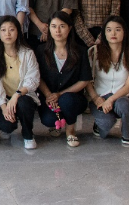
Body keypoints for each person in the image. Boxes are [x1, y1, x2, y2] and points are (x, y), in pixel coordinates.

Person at [0, 16, 40, 150]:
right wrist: (4, 106)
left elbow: (33, 79)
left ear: (18, 32)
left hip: (22, 96)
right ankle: (7, 126)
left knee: (24, 103)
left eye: (11, 30)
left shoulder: (28, 53)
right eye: (3, 30)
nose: (7, 34)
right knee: (7, 126)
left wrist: (16, 95)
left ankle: (28, 134)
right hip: (3, 98)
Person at [37, 12, 91, 148]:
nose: (58, 30)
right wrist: (49, 95)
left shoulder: (80, 51)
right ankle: (58, 121)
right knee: (48, 120)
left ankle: (70, 130)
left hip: (73, 98)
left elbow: (84, 80)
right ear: (49, 28)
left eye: (62, 26)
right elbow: (38, 77)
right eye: (54, 26)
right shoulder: (41, 51)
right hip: (49, 98)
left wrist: (60, 94)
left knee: (67, 100)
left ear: (70, 28)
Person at [86, 16, 129, 146]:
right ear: (104, 33)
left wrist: (111, 100)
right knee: (106, 124)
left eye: (118, 29)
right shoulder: (94, 52)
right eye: (109, 30)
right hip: (100, 97)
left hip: (122, 97)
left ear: (124, 32)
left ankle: (128, 131)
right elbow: (86, 80)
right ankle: (99, 124)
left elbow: (128, 87)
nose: (113, 33)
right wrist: (96, 98)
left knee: (124, 105)